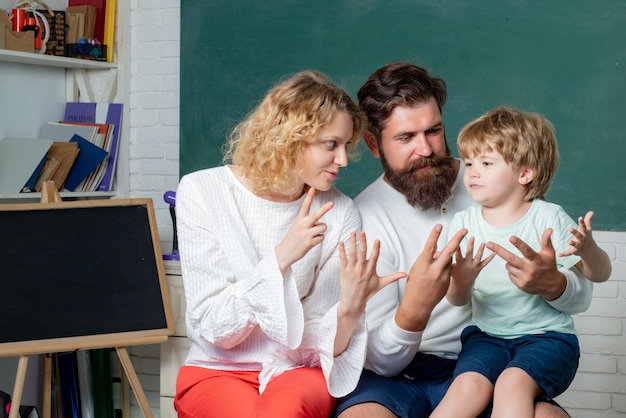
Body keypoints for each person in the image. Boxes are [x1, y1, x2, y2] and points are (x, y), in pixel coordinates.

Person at [333, 62, 594, 418]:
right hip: (396, 377)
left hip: (483, 363)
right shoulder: (363, 217)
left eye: (434, 131)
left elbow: (577, 289)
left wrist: (554, 285)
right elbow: (379, 361)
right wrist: (415, 309)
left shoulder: (494, 183)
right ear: (373, 144)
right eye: (406, 137)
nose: (425, 149)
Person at [173, 70, 406, 418]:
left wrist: (351, 309)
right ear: (289, 137)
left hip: (296, 373)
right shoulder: (202, 192)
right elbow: (215, 329)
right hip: (217, 370)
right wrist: (282, 257)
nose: (343, 160)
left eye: (345, 146)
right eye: (331, 144)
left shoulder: (339, 212)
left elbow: (316, 345)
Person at [430, 106, 611, 418]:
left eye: (486, 163)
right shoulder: (461, 222)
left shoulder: (548, 217)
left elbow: (600, 274)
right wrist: (461, 281)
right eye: (470, 162)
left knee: (512, 385)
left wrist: (588, 249)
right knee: (466, 388)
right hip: (486, 338)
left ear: (524, 173)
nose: (472, 171)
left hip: (548, 340)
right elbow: (458, 300)